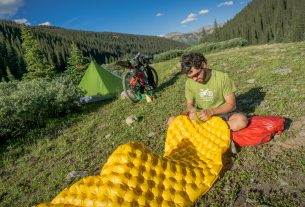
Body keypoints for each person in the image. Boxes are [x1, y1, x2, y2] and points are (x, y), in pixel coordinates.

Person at [168, 53, 248, 152]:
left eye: (196, 74)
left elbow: (231, 105)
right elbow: (189, 104)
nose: (195, 79)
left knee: (242, 121)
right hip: (201, 116)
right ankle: (218, 134)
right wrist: (192, 110)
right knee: (171, 120)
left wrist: (211, 112)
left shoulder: (222, 77)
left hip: (221, 113)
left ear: (203, 64)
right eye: (191, 77)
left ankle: (201, 134)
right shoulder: (189, 83)